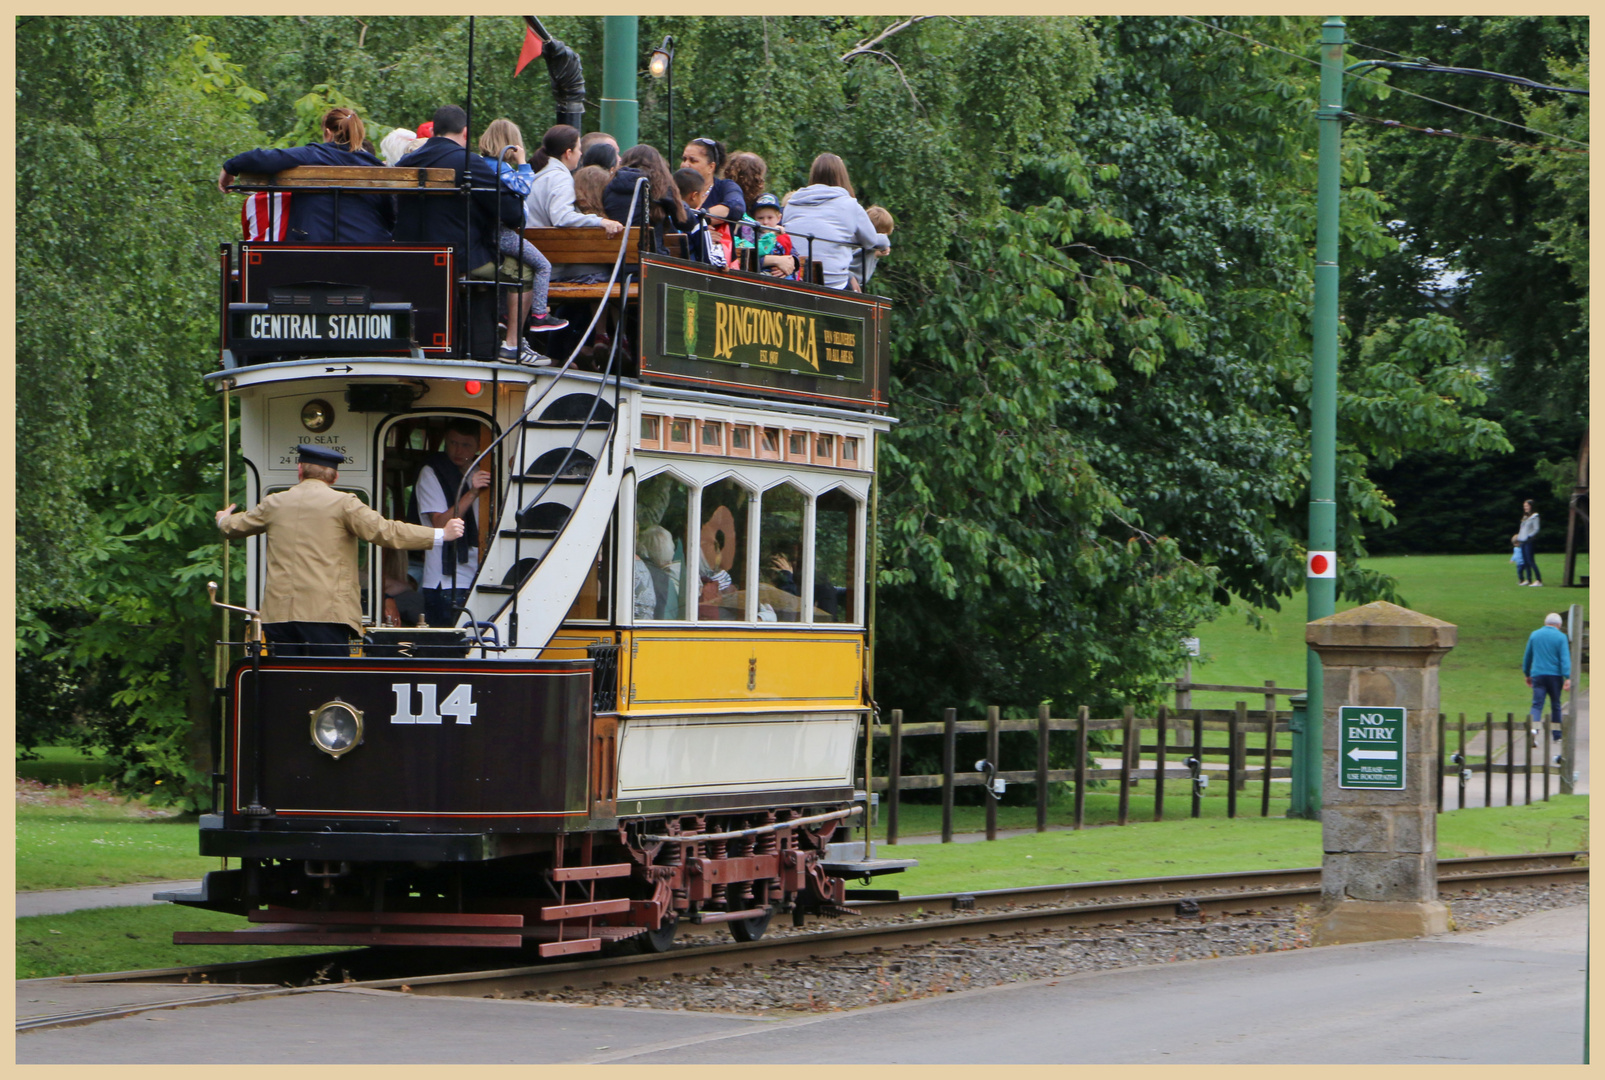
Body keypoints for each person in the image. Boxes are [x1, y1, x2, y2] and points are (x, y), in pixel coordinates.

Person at [215, 444, 463, 654]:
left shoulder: (274, 503)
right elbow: (387, 531)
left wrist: (223, 519)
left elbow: (233, 526)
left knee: (287, 687)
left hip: (279, 618)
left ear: (300, 470)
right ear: (334, 477)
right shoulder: (344, 504)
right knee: (327, 687)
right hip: (326, 617)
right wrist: (441, 533)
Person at [395, 105, 543, 365]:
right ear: (464, 132)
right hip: (461, 260)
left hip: (412, 259)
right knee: (523, 272)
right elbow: (512, 212)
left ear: (435, 130)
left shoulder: (407, 161)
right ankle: (511, 345)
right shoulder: (467, 161)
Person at [218, 107, 394, 243]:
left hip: (314, 247)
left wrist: (229, 168)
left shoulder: (313, 154)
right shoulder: (376, 167)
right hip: (370, 248)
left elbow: (265, 158)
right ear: (359, 132)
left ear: (327, 132)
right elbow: (391, 216)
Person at [477, 118, 568, 335]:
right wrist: (523, 162)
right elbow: (525, 187)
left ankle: (504, 316)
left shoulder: (483, 165)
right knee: (543, 265)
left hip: (488, 232)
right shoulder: (500, 168)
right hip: (502, 232)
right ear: (509, 143)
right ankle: (539, 315)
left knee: (513, 269)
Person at [415, 419, 491, 628]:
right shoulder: (432, 473)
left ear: (479, 447)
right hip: (444, 581)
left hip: (481, 575)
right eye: (452, 443)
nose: (457, 450)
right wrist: (472, 492)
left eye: (465, 445)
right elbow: (440, 523)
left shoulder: (484, 474)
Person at [781, 153, 890, 290]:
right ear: (842, 176)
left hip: (794, 274)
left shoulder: (792, 202)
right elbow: (870, 241)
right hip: (831, 282)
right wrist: (883, 240)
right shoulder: (850, 205)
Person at [606, 145, 689, 253]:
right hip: (650, 258)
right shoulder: (658, 187)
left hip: (616, 258)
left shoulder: (610, 185)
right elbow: (685, 223)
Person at [1523, 612, 1572, 747]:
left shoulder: (1535, 635)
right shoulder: (1561, 637)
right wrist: (1567, 676)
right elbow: (1564, 658)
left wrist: (1527, 674)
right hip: (1555, 676)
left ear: (1545, 623)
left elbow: (1528, 656)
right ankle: (1557, 735)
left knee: (1537, 704)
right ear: (1559, 625)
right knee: (1556, 705)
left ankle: (1534, 728)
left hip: (1538, 675)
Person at [740, 192, 799, 278]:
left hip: (783, 274)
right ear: (753, 219)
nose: (765, 222)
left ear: (779, 218)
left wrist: (791, 262)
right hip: (761, 275)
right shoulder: (750, 235)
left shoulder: (782, 235)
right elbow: (750, 258)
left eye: (770, 218)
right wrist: (777, 261)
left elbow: (794, 254)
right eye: (760, 218)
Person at [672, 167, 722, 266]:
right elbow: (707, 257)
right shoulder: (697, 219)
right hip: (691, 273)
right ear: (694, 196)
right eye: (701, 195)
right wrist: (722, 262)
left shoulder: (663, 214)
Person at [851, 204, 895, 287]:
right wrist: (884, 246)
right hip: (850, 282)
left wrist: (876, 253)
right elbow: (884, 241)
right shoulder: (867, 242)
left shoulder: (865, 246)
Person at [1513, 498, 1542, 586]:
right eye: (1524, 506)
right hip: (1522, 541)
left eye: (1527, 506)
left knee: (1530, 561)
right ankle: (1528, 579)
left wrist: (1529, 536)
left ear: (1531, 506)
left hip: (1529, 541)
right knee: (1525, 562)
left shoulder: (1535, 516)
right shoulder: (1525, 517)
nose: (1525, 508)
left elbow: (1536, 529)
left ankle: (1538, 580)